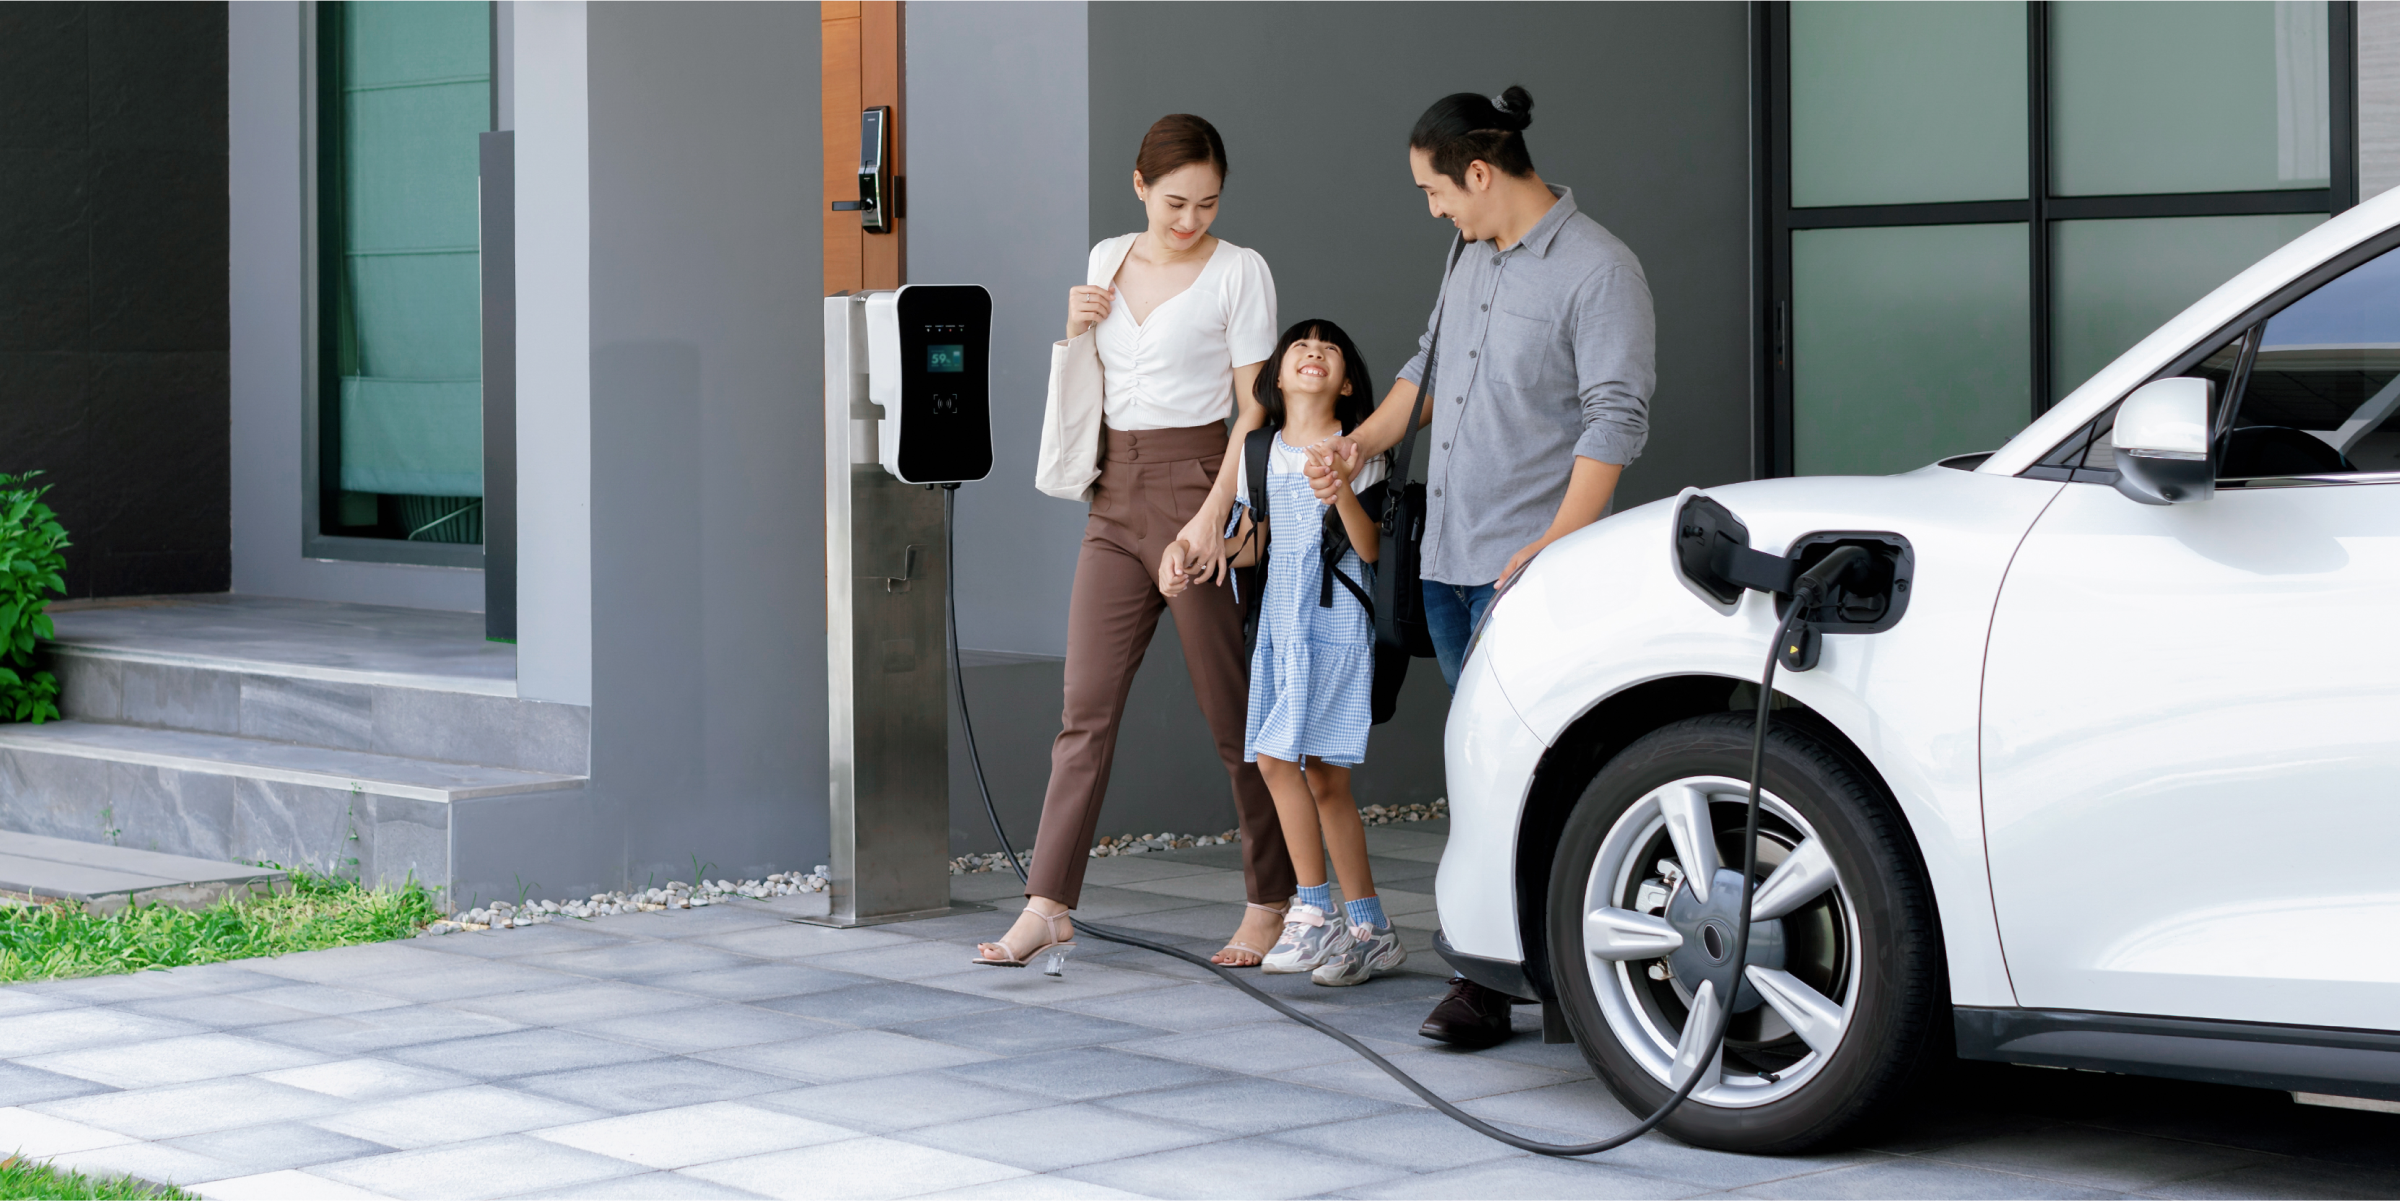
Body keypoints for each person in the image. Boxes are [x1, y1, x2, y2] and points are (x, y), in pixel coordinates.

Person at [1308, 86, 1655, 1043]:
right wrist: (1360, 446)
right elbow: (1427, 366)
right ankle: (1502, 968)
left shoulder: (1600, 270)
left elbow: (1615, 417)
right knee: (1484, 771)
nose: (1434, 210)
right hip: (1447, 562)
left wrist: (1557, 544)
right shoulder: (1469, 254)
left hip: (1530, 572)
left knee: (1539, 773)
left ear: (1478, 171)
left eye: (1434, 190)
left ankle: (1518, 981)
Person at [975, 114, 1297, 973]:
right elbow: (1095, 380)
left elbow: (1253, 412)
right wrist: (1076, 326)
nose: (1190, 220)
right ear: (1140, 186)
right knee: (1084, 710)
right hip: (1114, 498)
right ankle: (1048, 903)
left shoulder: (1240, 271)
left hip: (1200, 485)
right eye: (1174, 202)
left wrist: (1209, 520)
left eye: (1208, 203)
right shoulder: (1106, 259)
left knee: (1232, 717)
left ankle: (1271, 900)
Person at [1160, 319, 1403, 987]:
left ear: (1347, 380)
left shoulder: (1358, 451)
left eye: (1329, 347)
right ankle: (1371, 927)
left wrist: (1343, 488)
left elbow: (1371, 546)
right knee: (1316, 775)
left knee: (1290, 763)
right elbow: (1253, 541)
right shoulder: (1259, 449)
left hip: (1334, 620)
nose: (1313, 352)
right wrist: (1195, 557)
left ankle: (1315, 909)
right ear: (1278, 375)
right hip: (1278, 624)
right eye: (1301, 344)